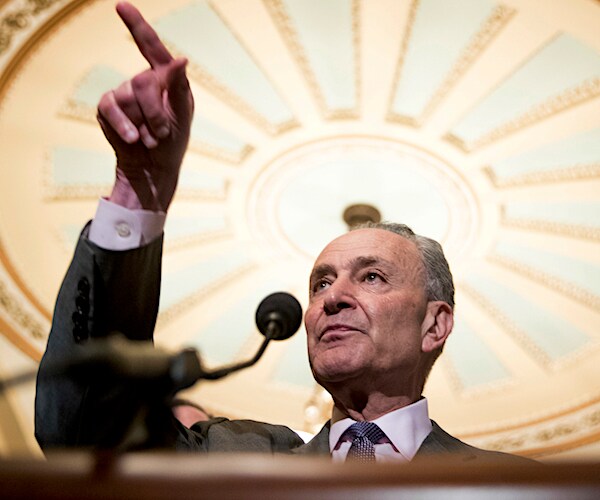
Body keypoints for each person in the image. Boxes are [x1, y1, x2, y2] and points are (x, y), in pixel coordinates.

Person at [35, 2, 531, 463]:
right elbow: (78, 432)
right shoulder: (233, 458)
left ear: (435, 324)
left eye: (373, 277)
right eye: (320, 283)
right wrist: (139, 194)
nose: (331, 299)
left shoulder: (517, 485)